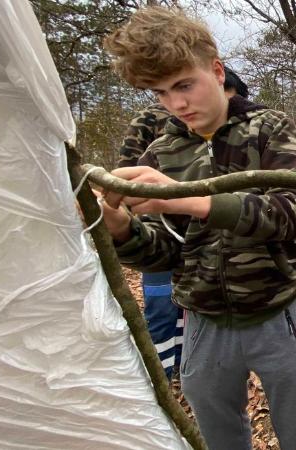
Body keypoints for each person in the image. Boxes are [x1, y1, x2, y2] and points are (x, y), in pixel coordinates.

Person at [101, 7, 296, 449]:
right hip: (202, 321)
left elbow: (293, 214)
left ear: (217, 71)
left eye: (184, 85)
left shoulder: (269, 129)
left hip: (276, 312)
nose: (177, 104)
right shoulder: (162, 151)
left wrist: (187, 198)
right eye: (160, 93)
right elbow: (166, 252)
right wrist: (122, 230)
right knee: (220, 438)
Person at [116, 65, 249, 380]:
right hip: (163, 235)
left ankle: (184, 364)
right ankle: (164, 372)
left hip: (215, 244)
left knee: (188, 311)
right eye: (164, 94)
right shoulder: (153, 124)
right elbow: (126, 180)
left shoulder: (246, 134)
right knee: (162, 308)